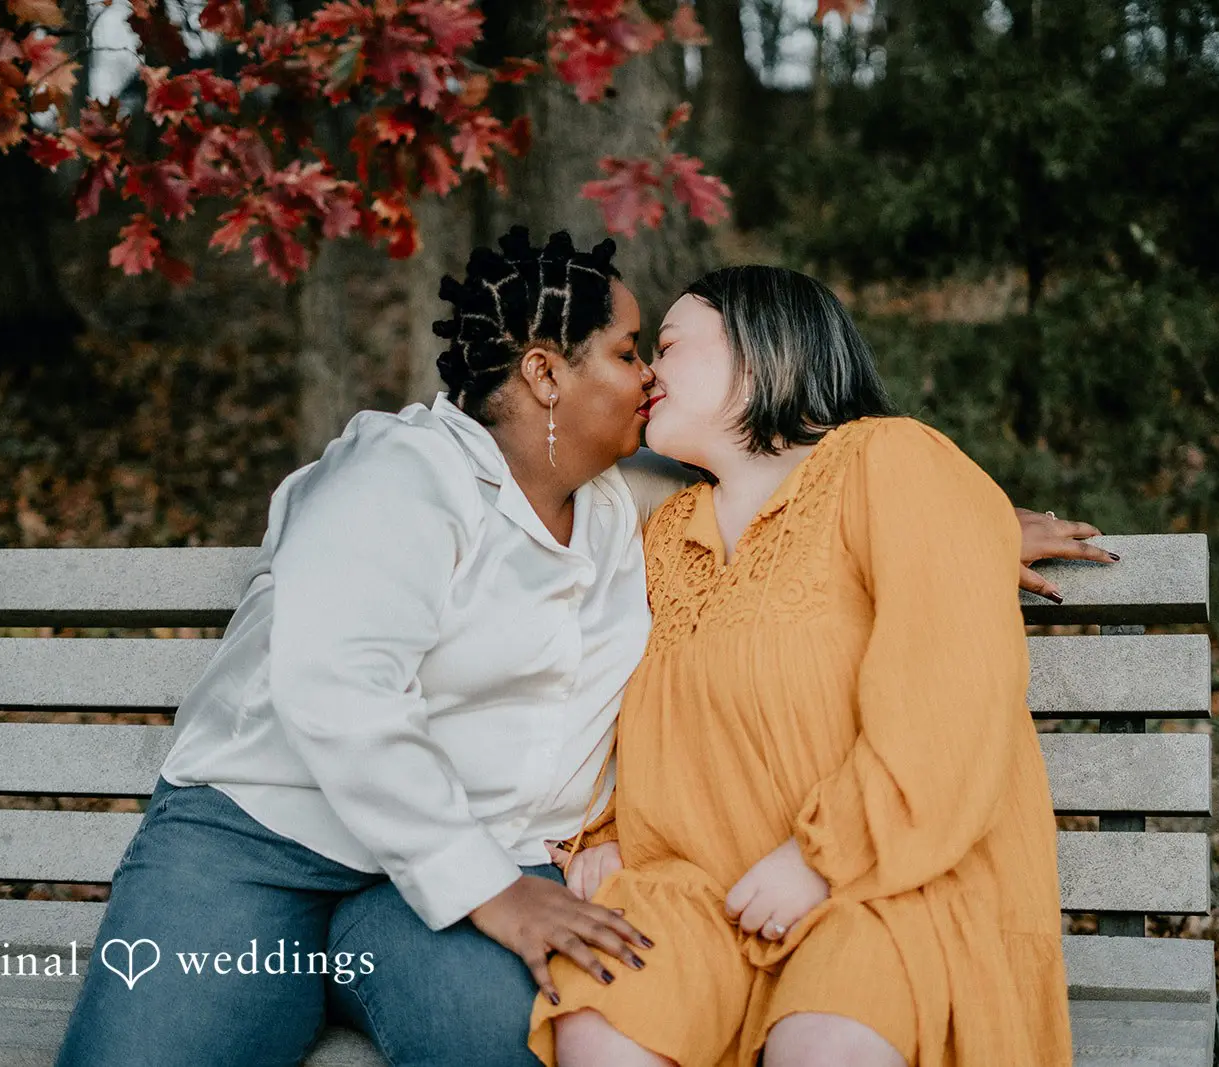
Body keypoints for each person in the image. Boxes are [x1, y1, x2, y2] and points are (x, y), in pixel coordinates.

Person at [54, 229, 1107, 1067]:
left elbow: (818, 509)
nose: (647, 371)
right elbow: (339, 680)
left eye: (663, 348)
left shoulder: (622, 512)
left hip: (465, 873)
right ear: (546, 373)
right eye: (627, 351)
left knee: (510, 1040)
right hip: (264, 843)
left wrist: (969, 523)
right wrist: (503, 881)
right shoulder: (410, 478)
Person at [531, 266, 1077, 1067]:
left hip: (889, 884)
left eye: (670, 345)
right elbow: (609, 707)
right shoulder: (663, 536)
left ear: (763, 350)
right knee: (602, 1016)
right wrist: (603, 834)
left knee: (824, 1041)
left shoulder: (893, 461)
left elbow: (952, 692)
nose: (647, 371)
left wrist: (823, 857)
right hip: (699, 899)